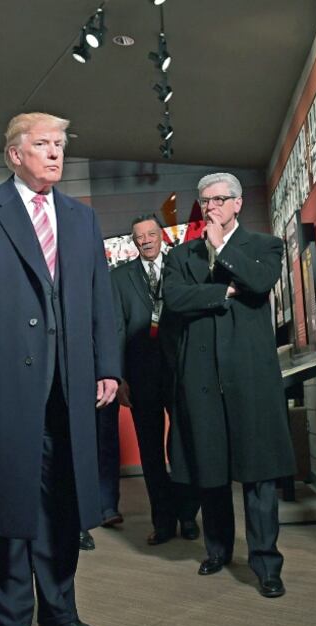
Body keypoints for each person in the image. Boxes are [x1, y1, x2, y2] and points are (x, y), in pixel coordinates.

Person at [0, 112, 120, 626]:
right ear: (15, 154)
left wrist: (106, 365)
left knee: (63, 504)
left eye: (61, 144)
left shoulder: (81, 219)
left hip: (70, 385)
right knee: (4, 503)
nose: (55, 154)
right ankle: (13, 620)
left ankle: (60, 612)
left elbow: (100, 300)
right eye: (43, 144)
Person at [163, 172, 296, 598]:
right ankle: (217, 550)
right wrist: (223, 293)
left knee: (259, 475)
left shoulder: (264, 246)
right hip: (201, 381)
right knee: (211, 471)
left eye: (219, 199)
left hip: (251, 380)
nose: (211, 207)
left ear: (238, 203)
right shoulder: (181, 255)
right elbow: (175, 299)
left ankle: (266, 563)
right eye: (204, 201)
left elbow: (258, 284)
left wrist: (221, 249)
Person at [109, 213, 200, 545]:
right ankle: (163, 522)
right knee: (150, 453)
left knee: (184, 447)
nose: (145, 240)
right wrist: (117, 377)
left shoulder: (183, 268)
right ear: (133, 242)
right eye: (139, 237)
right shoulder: (119, 278)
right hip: (140, 376)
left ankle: (188, 517)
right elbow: (116, 329)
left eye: (150, 234)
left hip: (180, 373)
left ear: (160, 235)